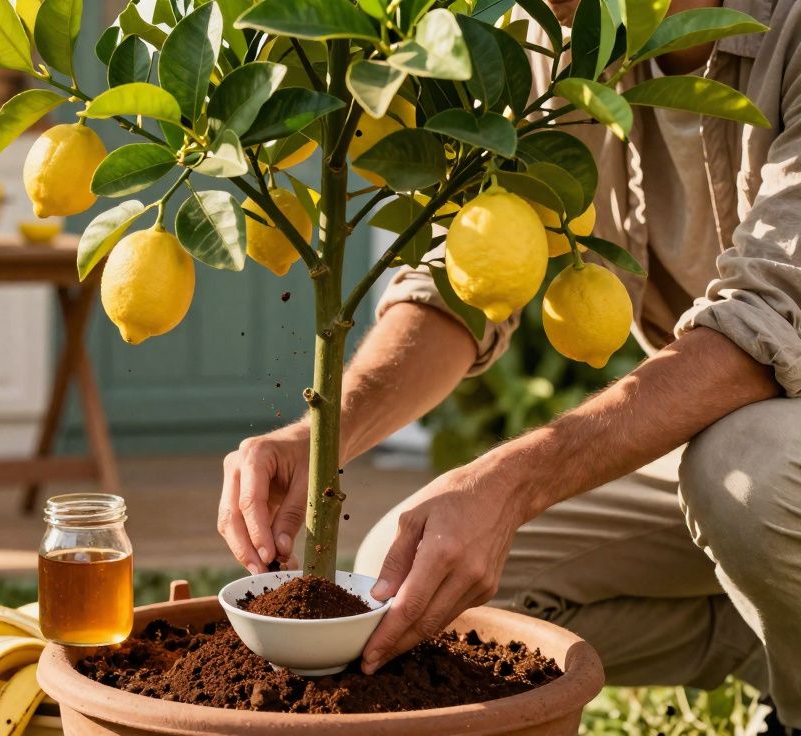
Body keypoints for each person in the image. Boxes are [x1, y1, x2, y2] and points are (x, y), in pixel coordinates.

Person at [217, 0, 801, 726]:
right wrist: (323, 434)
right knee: (409, 579)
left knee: (746, 465)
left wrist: (511, 483)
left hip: (766, 457)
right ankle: (775, 646)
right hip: (730, 464)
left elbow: (765, 325)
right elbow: (460, 288)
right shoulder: (558, 33)